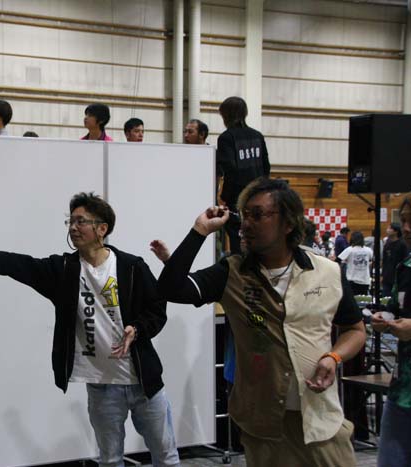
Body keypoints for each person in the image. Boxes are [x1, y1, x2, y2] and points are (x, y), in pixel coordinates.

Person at [0, 192, 180, 467]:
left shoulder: (132, 267)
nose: (73, 227)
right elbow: (16, 264)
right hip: (102, 385)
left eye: (81, 221)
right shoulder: (63, 270)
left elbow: (157, 309)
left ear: (102, 228)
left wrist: (138, 329)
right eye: (70, 221)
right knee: (110, 460)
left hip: (144, 382)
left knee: (166, 457)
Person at [152, 178, 365, 467]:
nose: (246, 224)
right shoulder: (232, 272)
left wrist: (334, 357)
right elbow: (170, 289)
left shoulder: (327, 272)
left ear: (288, 223)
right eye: (245, 215)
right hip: (263, 425)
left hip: (319, 420)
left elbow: (355, 330)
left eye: (257, 215)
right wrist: (200, 231)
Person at [372, 196, 411, 467]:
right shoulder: (404, 268)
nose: (406, 228)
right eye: (404, 220)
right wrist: (384, 319)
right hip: (401, 393)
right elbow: (396, 310)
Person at [216, 97, 270, 255]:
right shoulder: (257, 136)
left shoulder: (226, 138)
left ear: (225, 115)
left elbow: (230, 169)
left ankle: (240, 268)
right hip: (259, 197)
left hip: (238, 199)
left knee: (238, 241)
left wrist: (225, 196)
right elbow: (266, 167)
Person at [337, 231, 374, 296]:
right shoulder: (368, 250)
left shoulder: (350, 249)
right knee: (363, 299)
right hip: (365, 280)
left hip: (352, 280)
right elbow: (373, 260)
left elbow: (338, 260)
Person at [382, 222, 408, 297]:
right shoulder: (387, 243)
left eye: (390, 228)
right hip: (387, 277)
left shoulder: (402, 244)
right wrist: (383, 275)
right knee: (386, 298)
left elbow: (405, 261)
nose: (387, 230)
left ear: (396, 231)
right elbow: (384, 260)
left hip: (399, 278)